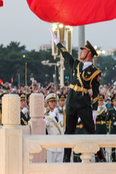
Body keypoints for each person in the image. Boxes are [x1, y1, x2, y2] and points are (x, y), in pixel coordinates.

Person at [50, 31, 107, 163]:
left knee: (91, 131)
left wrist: (94, 110)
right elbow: (65, 54)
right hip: (71, 99)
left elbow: (96, 92)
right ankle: (66, 158)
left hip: (83, 102)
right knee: (69, 131)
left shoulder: (95, 71)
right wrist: (57, 42)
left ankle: (101, 157)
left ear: (89, 54)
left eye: (84, 51)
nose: (81, 53)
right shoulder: (76, 64)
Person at [43, 93, 64, 164]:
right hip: (51, 146)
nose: (53, 103)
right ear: (48, 103)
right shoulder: (46, 115)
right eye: (51, 102)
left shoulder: (61, 115)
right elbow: (45, 124)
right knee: (50, 168)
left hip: (60, 145)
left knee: (60, 168)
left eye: (54, 101)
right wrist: (52, 115)